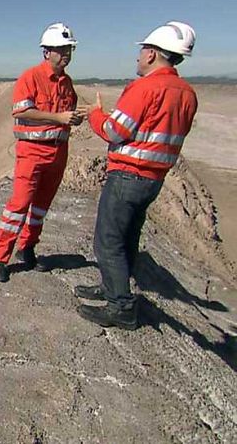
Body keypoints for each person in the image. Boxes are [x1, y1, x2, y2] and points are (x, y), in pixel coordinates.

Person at [75, 22, 198, 330]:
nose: (139, 55)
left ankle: (120, 306)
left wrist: (96, 114)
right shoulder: (187, 93)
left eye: (143, 50)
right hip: (154, 180)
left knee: (108, 240)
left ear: (153, 54)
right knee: (128, 235)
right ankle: (111, 287)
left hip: (129, 175)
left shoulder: (144, 88)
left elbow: (115, 131)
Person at [0, 23, 85, 282]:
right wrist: (58, 117)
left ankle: (27, 247)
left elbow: (67, 113)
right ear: (46, 52)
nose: (66, 54)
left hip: (58, 153)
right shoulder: (30, 77)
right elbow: (21, 111)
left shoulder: (67, 83)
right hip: (32, 153)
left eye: (69, 49)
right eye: (61, 49)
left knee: (41, 207)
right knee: (18, 206)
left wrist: (73, 119)